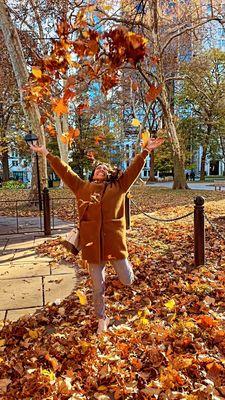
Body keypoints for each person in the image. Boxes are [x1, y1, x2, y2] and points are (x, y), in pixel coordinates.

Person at [30, 137, 164, 334]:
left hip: (114, 243)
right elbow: (65, 171)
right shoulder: (81, 187)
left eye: (104, 169)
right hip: (92, 244)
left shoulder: (118, 187)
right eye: (97, 169)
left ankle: (127, 269)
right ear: (93, 173)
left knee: (127, 280)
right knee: (97, 287)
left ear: (108, 174)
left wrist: (145, 151)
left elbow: (133, 170)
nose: (100, 170)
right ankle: (102, 318)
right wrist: (46, 153)